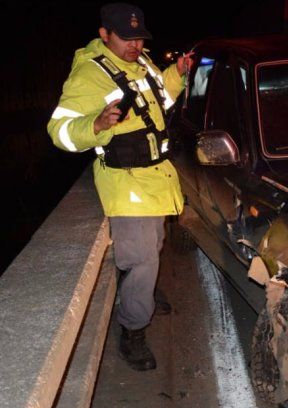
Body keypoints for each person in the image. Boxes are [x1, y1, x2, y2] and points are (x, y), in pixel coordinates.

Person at [47, 3, 193, 371]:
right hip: (126, 182)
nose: (135, 45)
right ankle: (133, 330)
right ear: (104, 34)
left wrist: (176, 74)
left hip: (156, 178)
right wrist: (95, 125)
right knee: (142, 258)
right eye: (126, 38)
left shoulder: (142, 63)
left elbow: (159, 101)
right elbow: (59, 131)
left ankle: (142, 289)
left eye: (139, 37)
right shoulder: (89, 74)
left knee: (152, 247)